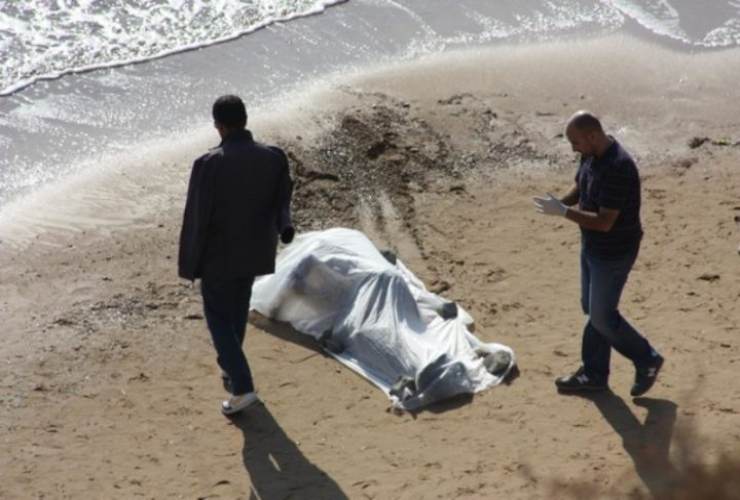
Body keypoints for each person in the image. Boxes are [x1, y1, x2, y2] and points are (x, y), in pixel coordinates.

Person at [178, 95, 295, 415]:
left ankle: (242, 386)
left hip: (218, 255)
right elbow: (282, 199)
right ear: (244, 119)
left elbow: (197, 217)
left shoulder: (208, 164)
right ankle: (231, 367)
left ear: (219, 126)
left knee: (217, 316)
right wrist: (285, 227)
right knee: (237, 311)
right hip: (255, 249)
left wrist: (191, 262)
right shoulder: (273, 157)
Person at [533, 111, 663, 397]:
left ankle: (647, 359)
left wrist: (564, 213)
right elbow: (581, 185)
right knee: (592, 309)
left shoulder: (619, 167)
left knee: (603, 316)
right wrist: (560, 203)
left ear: (592, 136)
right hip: (592, 247)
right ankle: (594, 374)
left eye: (575, 142)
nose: (573, 148)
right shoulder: (592, 154)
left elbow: (605, 222)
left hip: (614, 252)